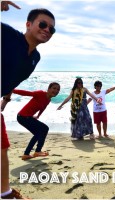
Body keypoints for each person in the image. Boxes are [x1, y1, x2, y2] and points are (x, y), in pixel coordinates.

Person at [1, 2, 56, 199]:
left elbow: (11, 80)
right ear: (28, 24)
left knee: (2, 148)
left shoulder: (36, 57)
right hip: (21, 114)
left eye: (52, 28)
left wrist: (5, 98)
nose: (47, 30)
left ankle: (5, 193)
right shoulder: (7, 35)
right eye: (43, 24)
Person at [12, 83, 60, 160]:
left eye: (58, 89)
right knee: (44, 128)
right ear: (49, 89)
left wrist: (38, 116)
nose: (56, 90)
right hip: (23, 116)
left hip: (26, 117)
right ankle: (37, 151)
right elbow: (27, 93)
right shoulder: (40, 93)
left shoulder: (48, 100)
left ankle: (26, 154)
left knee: (38, 133)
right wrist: (12, 90)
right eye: (54, 88)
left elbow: (43, 108)